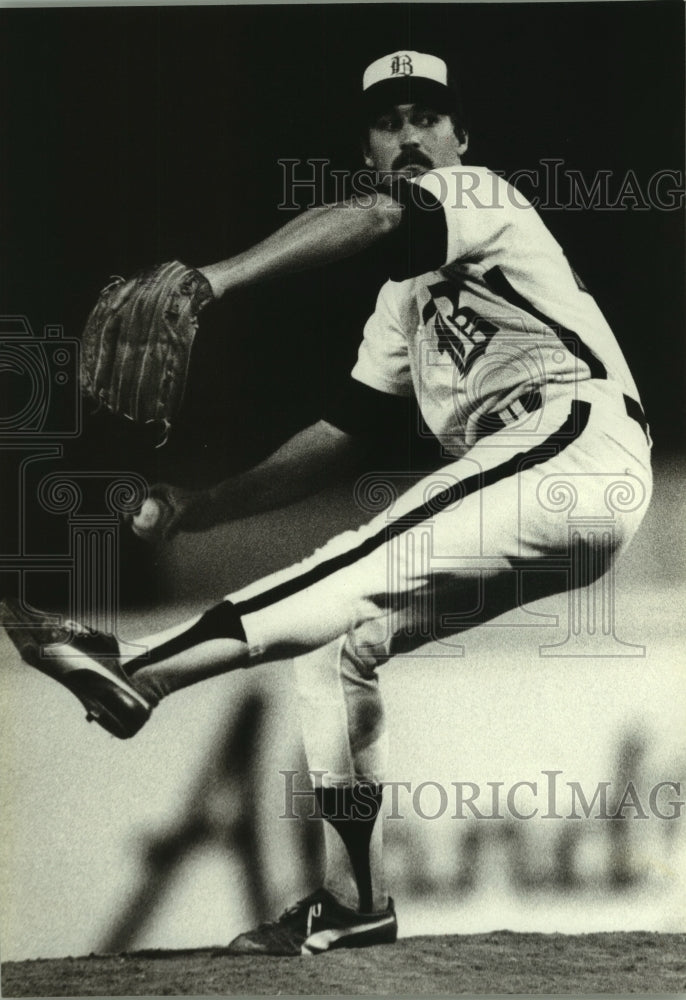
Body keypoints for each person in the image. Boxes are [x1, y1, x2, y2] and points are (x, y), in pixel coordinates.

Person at [1, 50, 653, 956]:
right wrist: (201, 506)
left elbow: (382, 218)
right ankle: (357, 904)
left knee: (353, 563)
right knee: (341, 645)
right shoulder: (401, 305)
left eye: (428, 116)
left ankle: (139, 668)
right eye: (389, 121)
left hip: (574, 442)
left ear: (463, 136)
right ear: (367, 144)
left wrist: (213, 279)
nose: (411, 135)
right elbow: (340, 435)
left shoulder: (484, 198)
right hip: (544, 484)